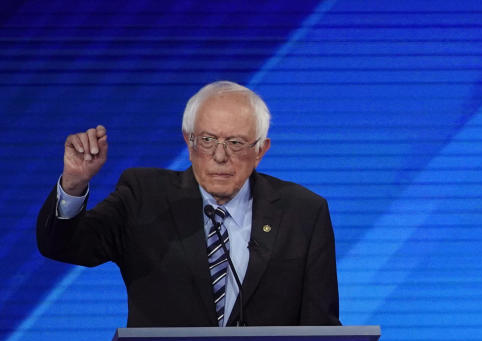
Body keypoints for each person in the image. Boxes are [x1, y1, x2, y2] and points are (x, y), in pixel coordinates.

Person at [37, 80, 339, 328]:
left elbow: (321, 330)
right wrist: (74, 184)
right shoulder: (145, 196)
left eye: (235, 143)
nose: (220, 156)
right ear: (189, 141)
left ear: (261, 150)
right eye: (207, 140)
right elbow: (63, 246)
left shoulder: (303, 213)